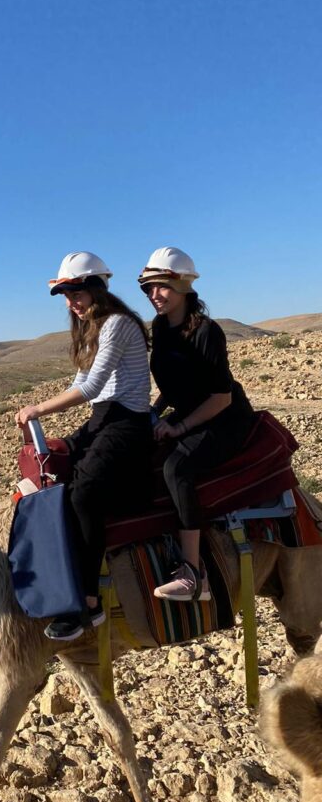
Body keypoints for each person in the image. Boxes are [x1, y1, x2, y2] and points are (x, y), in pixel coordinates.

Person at [15, 251, 152, 641]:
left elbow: (91, 387)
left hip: (126, 421)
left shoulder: (118, 325)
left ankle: (88, 603)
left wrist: (37, 408)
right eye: (66, 295)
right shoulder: (90, 328)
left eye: (76, 292)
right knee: (52, 470)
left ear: (96, 288)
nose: (71, 302)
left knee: (83, 495)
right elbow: (83, 382)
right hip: (102, 418)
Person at [138, 247, 255, 601]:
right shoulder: (161, 327)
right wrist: (155, 413)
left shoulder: (207, 332)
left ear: (184, 287)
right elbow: (173, 384)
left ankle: (193, 573)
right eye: (148, 288)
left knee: (177, 467)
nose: (154, 296)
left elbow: (221, 397)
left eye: (162, 287)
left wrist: (179, 428)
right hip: (189, 411)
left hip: (224, 418)